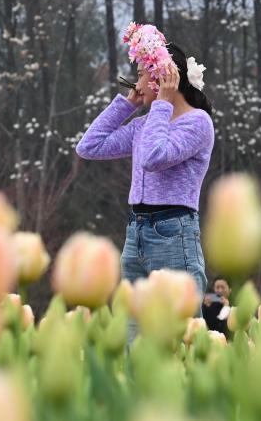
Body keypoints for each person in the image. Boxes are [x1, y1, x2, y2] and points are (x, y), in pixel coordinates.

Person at [75, 23, 215, 345]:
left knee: (180, 335)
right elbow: (89, 146)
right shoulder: (144, 125)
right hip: (136, 231)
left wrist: (163, 103)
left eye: (140, 74)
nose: (136, 82)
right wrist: (126, 104)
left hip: (173, 232)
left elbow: (154, 156)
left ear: (162, 77)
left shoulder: (198, 123)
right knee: (134, 336)